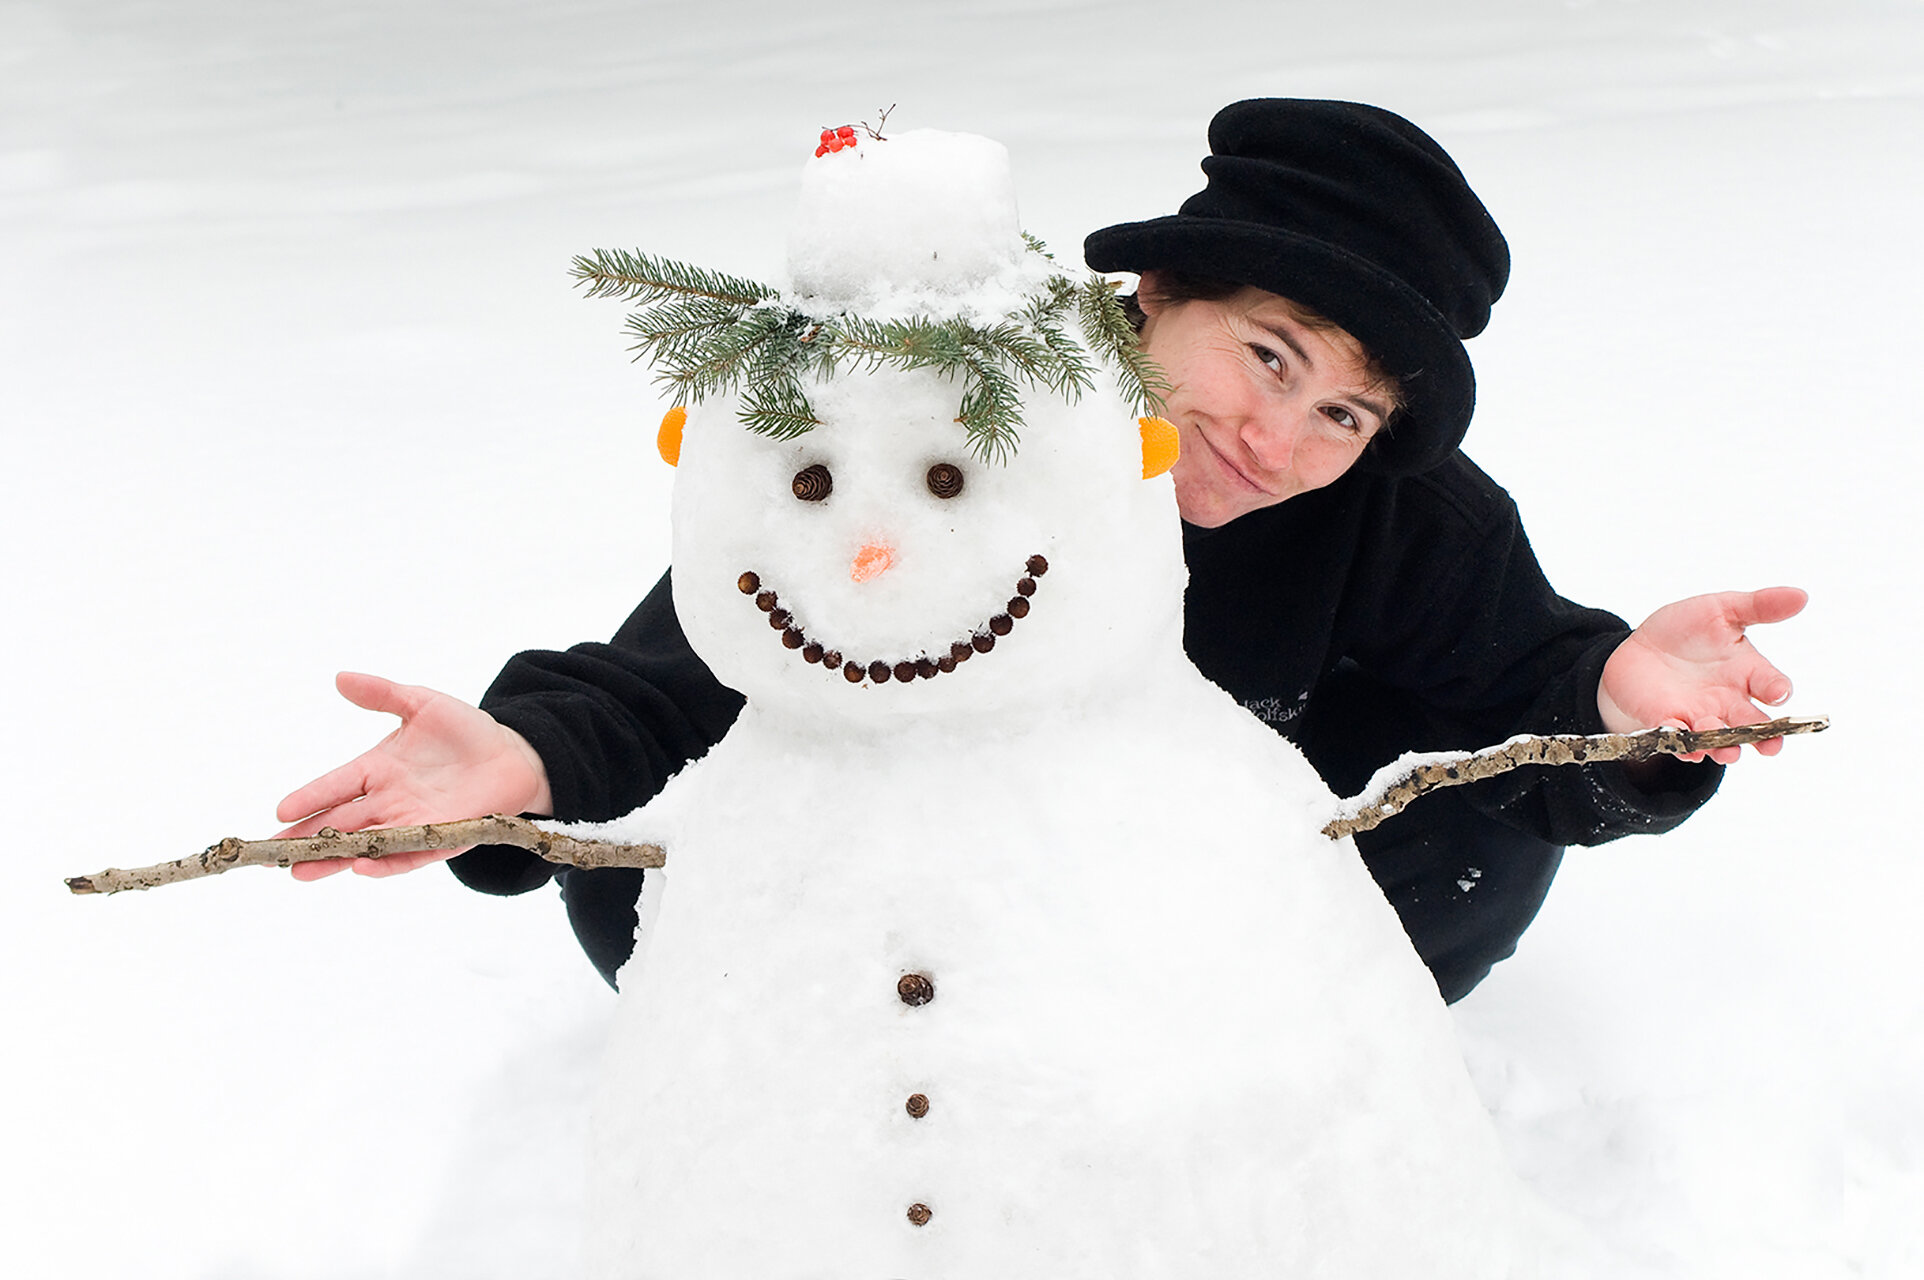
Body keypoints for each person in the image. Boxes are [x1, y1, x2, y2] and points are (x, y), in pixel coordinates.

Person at [274, 99, 1805, 1004]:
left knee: (1484, 804)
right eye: (1269, 356)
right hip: (930, 879)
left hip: (1227, 919)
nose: (1284, 441)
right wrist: (522, 770)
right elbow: (678, 683)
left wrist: (1619, 698)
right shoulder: (940, 432)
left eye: (1344, 410)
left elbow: (1525, 688)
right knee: (655, 875)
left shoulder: (1399, 518)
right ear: (1151, 295)